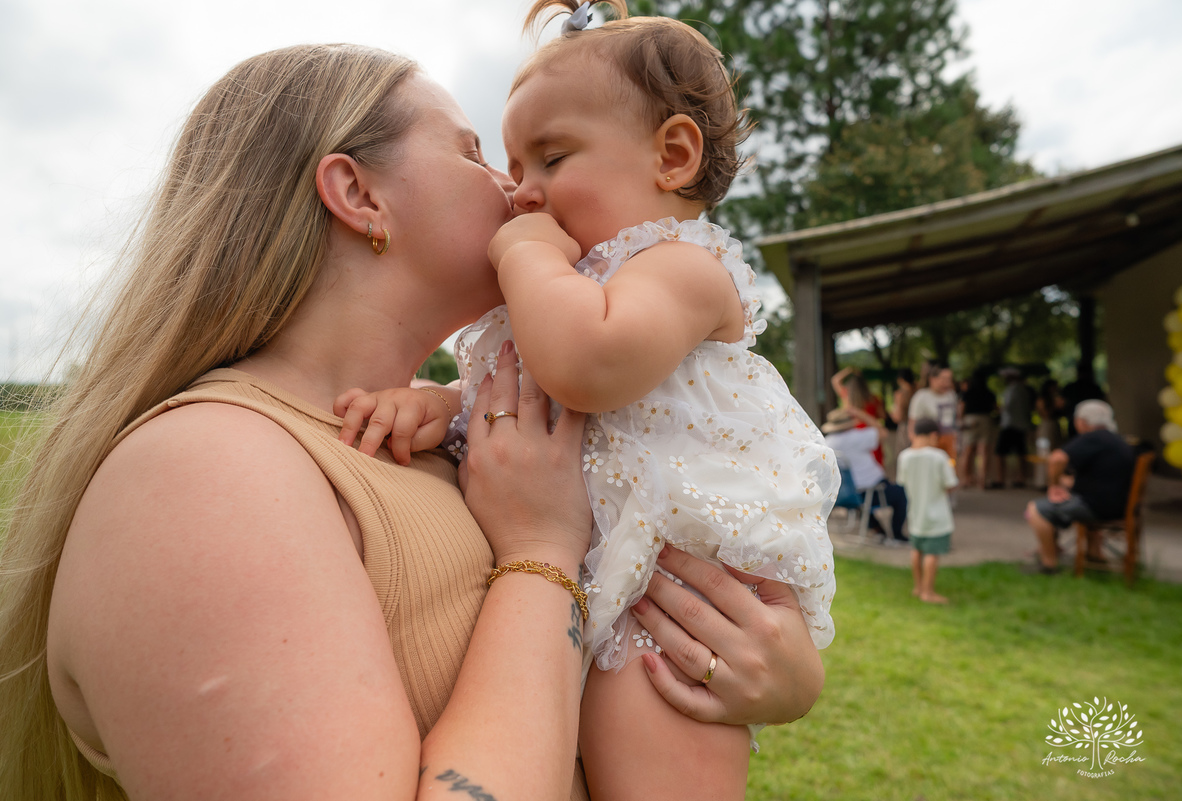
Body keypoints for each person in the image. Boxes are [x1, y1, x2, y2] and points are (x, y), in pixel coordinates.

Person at [0, 43, 826, 801]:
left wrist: (773, 670)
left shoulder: (447, 443)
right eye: (477, 154)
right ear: (359, 195)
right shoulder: (199, 473)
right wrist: (542, 551)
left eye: (538, 159)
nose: (517, 190)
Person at [317, 4, 838, 799]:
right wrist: (445, 404)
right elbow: (527, 391)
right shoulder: (567, 290)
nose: (522, 192)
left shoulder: (680, 265)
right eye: (512, 165)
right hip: (592, 585)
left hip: (669, 605)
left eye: (551, 158)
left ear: (672, 156)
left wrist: (526, 253)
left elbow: (587, 368)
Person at [1024, 400, 1135, 574]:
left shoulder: (1093, 438)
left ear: (1082, 421)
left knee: (1035, 510)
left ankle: (1049, 563)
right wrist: (1064, 483)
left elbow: (1057, 459)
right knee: (1058, 502)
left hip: (1097, 507)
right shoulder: (1116, 440)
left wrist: (1053, 486)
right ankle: (1094, 554)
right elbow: (1100, 479)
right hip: (1118, 505)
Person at [823, 407, 909, 544]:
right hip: (870, 491)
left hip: (845, 493)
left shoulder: (827, 442)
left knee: (865, 498)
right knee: (900, 493)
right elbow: (883, 433)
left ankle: (878, 530)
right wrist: (861, 414)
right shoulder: (858, 437)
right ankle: (896, 534)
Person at [896, 418, 959, 604]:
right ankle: (928, 592)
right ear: (933, 435)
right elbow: (950, 484)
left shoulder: (904, 456)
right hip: (937, 515)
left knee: (916, 550)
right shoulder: (939, 456)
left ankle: (918, 587)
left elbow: (902, 482)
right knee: (932, 553)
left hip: (915, 513)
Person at [833, 365, 885, 466]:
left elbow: (835, 380)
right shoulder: (874, 399)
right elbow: (882, 416)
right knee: (875, 464)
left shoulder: (847, 398)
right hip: (872, 433)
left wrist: (850, 369)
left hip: (855, 433)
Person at [908, 363, 959, 459]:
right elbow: (912, 425)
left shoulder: (951, 395)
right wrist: (917, 446)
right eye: (943, 379)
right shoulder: (921, 397)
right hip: (929, 444)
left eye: (949, 379)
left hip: (949, 442)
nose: (947, 383)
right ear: (932, 379)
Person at [957, 367, 996, 490]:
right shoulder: (989, 393)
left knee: (967, 451)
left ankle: (965, 479)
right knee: (983, 452)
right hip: (985, 419)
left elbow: (961, 408)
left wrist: (961, 421)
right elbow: (995, 408)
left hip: (970, 420)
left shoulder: (967, 393)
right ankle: (982, 480)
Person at [995, 367, 1033, 489]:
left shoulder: (1013, 389)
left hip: (1010, 424)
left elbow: (1007, 406)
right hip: (1021, 424)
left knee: (1001, 452)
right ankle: (1021, 478)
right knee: (1020, 452)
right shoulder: (1023, 389)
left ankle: (1001, 479)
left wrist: (998, 409)